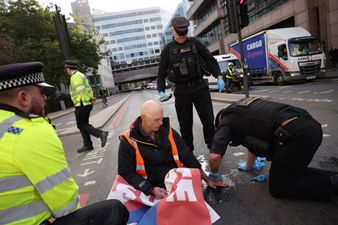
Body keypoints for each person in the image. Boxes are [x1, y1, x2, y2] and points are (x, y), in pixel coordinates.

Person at [0, 62, 129, 225]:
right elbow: (66, 207)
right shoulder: (30, 131)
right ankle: (97, 136)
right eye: (41, 92)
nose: (45, 98)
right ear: (23, 98)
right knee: (114, 209)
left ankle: (91, 140)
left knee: (82, 125)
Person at [208, 97, 338, 202]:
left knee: (279, 187)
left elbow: (214, 156)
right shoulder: (242, 108)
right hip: (311, 127)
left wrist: (214, 175)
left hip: (296, 135)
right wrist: (249, 166)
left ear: (219, 122)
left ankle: (332, 184)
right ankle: (333, 177)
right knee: (295, 172)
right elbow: (251, 143)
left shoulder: (226, 121)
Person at [118, 100, 220, 199]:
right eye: (156, 119)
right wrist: (150, 189)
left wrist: (206, 179)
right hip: (150, 186)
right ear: (144, 118)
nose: (162, 123)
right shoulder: (128, 141)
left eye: (161, 118)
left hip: (174, 181)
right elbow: (126, 172)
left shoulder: (168, 132)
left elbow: (186, 154)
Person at [157, 16, 221, 151]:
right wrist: (161, 90)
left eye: (184, 33)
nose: (182, 37)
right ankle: (188, 153)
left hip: (200, 88)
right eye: (179, 33)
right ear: (173, 31)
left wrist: (219, 76)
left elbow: (210, 60)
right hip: (181, 92)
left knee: (208, 120)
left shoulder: (194, 44)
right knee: (185, 125)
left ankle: (213, 148)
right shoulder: (167, 50)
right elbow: (161, 73)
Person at [64, 60, 108, 153]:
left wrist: (87, 99)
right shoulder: (80, 75)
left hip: (82, 104)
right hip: (85, 104)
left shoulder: (75, 77)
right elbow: (86, 89)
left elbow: (81, 91)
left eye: (66, 68)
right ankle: (88, 145)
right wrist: (90, 98)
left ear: (68, 68)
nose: (66, 70)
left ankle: (101, 134)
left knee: (81, 125)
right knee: (83, 125)